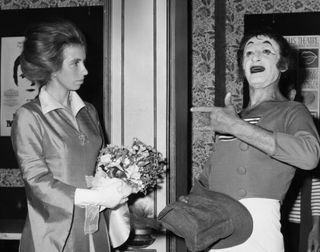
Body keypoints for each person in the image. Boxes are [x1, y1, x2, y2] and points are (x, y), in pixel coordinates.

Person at [190, 28, 320, 251]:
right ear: (242, 66)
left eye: (267, 51)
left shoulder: (292, 110)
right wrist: (186, 214)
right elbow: (208, 177)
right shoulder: (234, 117)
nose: (256, 56)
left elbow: (309, 156)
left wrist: (237, 128)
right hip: (217, 228)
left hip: (259, 230)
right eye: (249, 52)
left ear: (283, 65)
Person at [11, 18, 133, 252]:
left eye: (84, 62)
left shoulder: (88, 111)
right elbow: (37, 182)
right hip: (54, 234)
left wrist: (119, 183)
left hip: (94, 227)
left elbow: (102, 164)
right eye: (75, 63)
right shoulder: (30, 116)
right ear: (52, 67)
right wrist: (93, 197)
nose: (85, 70)